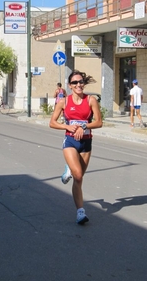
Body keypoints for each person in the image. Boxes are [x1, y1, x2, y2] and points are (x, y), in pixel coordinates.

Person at [49, 70, 103, 225]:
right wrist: (68, 126)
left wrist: (83, 125)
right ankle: (80, 212)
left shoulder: (91, 100)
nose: (79, 85)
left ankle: (69, 167)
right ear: (70, 86)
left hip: (86, 143)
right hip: (70, 142)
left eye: (81, 82)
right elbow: (52, 122)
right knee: (78, 175)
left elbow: (99, 122)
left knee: (79, 180)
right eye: (75, 82)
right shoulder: (64, 102)